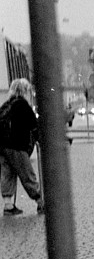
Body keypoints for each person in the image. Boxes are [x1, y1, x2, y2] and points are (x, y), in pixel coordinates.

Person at [1, 78, 43, 216]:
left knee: (7, 174)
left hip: (2, 145)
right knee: (27, 174)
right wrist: (39, 139)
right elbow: (33, 125)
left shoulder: (6, 105)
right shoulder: (23, 105)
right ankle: (40, 201)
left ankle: (8, 205)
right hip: (17, 145)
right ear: (25, 91)